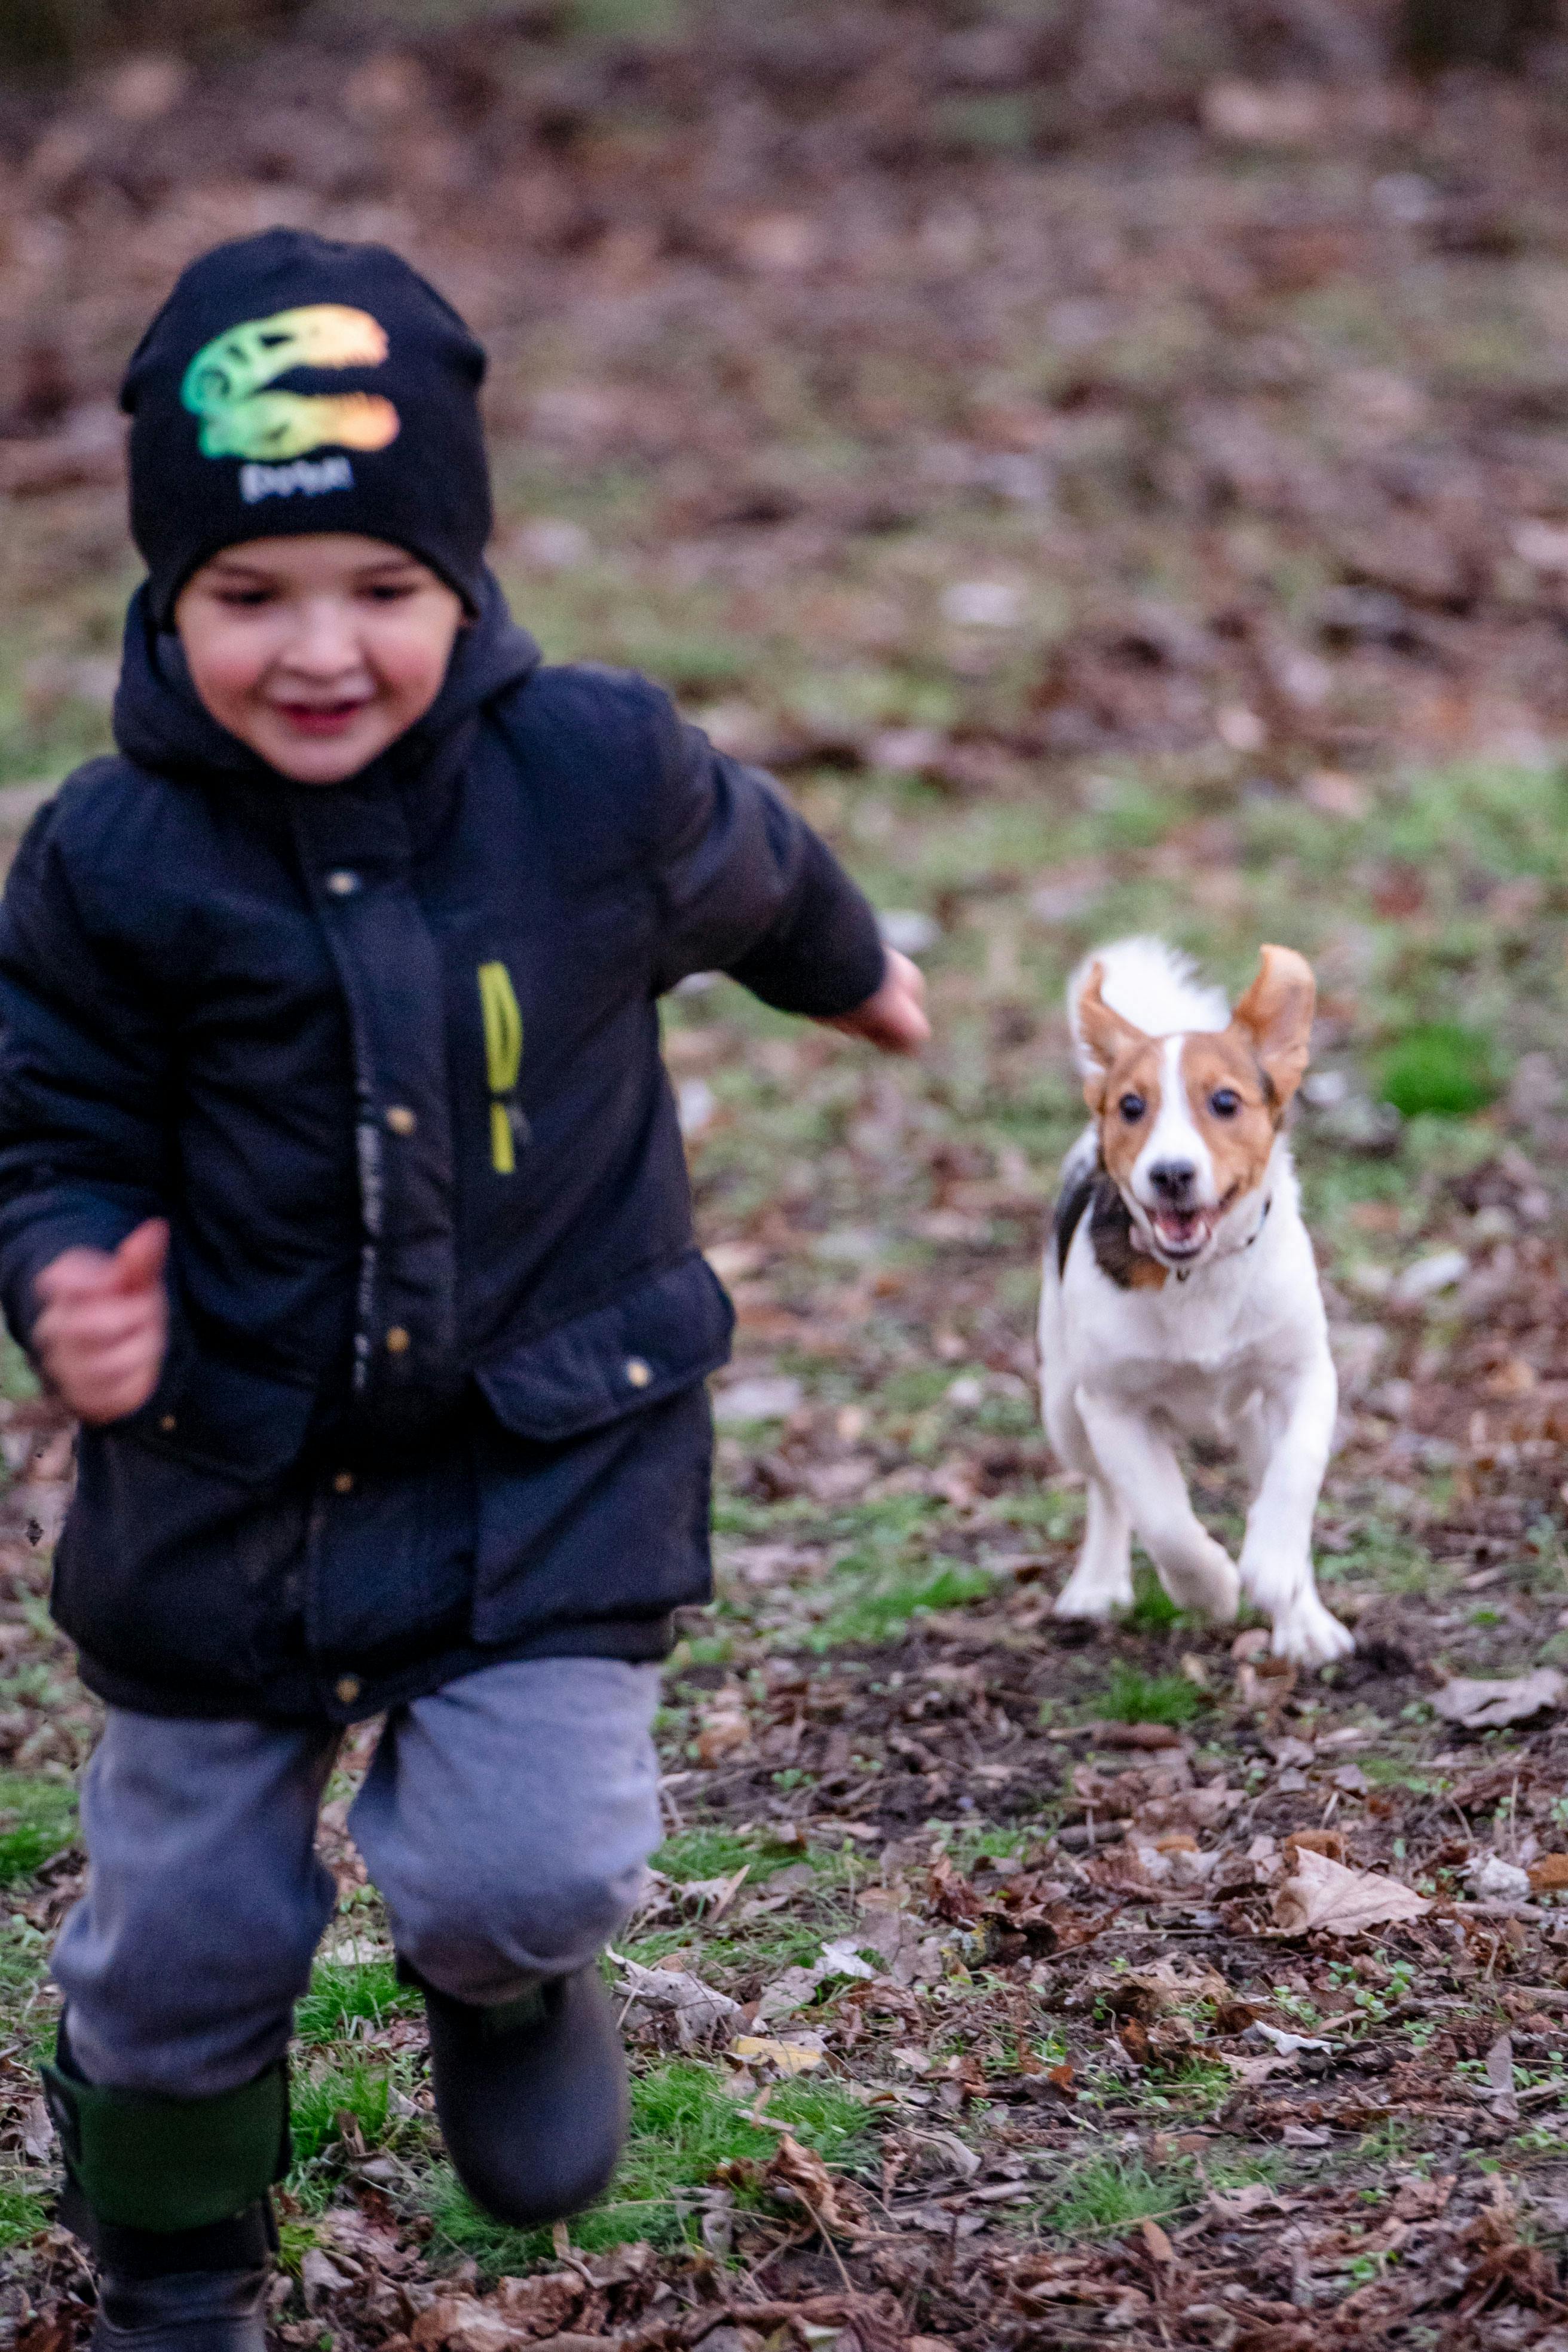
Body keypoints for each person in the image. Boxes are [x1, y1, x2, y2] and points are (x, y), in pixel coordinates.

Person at [0, 228, 928, 2352]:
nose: (318, 650)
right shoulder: (114, 861)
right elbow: (46, 1122)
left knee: (534, 1859)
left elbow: (758, 862)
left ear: (466, 579)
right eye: (250, 598)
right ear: (163, 597)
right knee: (177, 1946)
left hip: (548, 1444)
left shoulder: (589, 773)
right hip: (224, 1480)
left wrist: (855, 971)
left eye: (381, 593)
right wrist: (64, 1284)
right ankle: (171, 2272)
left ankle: (497, 1983)